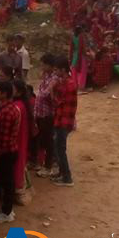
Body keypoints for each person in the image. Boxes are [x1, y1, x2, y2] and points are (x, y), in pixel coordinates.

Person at [0, 81, 20, 223]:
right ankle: (7, 209)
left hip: (6, 151)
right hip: (11, 149)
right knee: (8, 181)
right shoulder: (12, 108)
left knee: (7, 182)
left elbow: (3, 138)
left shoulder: (6, 112)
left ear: (4, 93)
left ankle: (6, 212)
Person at [51, 56, 77, 187]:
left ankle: (67, 177)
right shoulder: (65, 82)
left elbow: (58, 102)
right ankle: (62, 173)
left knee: (60, 149)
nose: (55, 72)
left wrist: (52, 91)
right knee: (58, 148)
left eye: (57, 70)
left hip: (64, 120)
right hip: (61, 119)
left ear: (63, 69)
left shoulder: (69, 85)